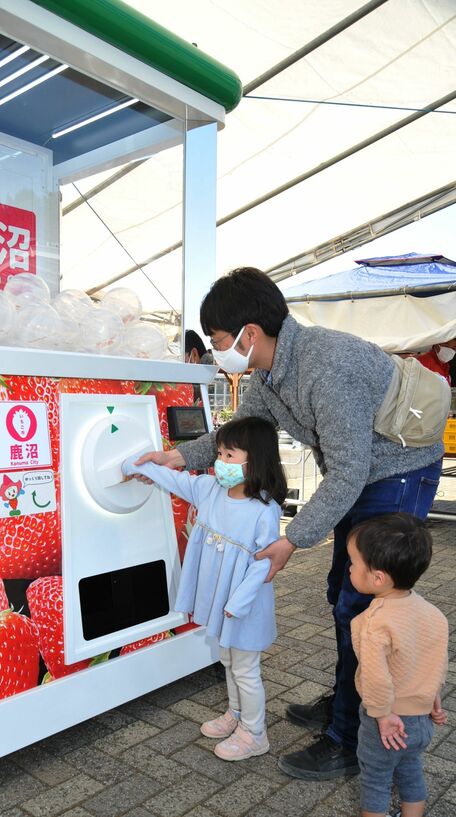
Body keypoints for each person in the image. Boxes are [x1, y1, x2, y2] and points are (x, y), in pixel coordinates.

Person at [135, 267, 444, 780]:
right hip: (358, 473)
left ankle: (351, 737)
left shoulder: (326, 366)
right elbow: (240, 436)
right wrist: (177, 458)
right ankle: (349, 695)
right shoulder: (269, 375)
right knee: (340, 591)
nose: (216, 351)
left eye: (218, 341)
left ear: (249, 334)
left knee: (366, 603)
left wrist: (291, 541)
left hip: (398, 469)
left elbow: (350, 471)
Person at [122, 416, 286, 761]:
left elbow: (263, 565)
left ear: (254, 461)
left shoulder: (264, 510)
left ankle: (256, 733)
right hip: (222, 601)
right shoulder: (210, 488)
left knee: (245, 668)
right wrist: (146, 464)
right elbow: (176, 479)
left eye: (229, 456)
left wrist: (238, 604)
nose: (220, 463)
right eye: (220, 453)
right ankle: (237, 715)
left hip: (243, 606)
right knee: (228, 659)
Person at [347, 513, 448, 817]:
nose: (349, 568)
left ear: (377, 577)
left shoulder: (373, 623)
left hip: (387, 723)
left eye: (353, 562)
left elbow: (376, 679)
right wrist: (434, 698)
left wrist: (383, 715)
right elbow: (436, 662)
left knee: (376, 782)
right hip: (421, 721)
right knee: (410, 771)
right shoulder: (433, 614)